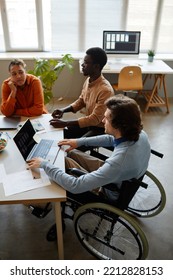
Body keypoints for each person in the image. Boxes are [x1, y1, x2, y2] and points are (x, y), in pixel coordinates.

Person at [27, 94, 151, 241]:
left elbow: (76, 185)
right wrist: (79, 142)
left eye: (106, 118)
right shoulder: (139, 134)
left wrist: (45, 165)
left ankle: (47, 207)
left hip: (107, 190)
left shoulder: (119, 162)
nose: (103, 120)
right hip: (121, 177)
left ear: (118, 126)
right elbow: (112, 138)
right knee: (70, 151)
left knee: (62, 166)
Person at [49, 47, 114, 138]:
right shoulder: (89, 80)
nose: (82, 65)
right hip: (89, 124)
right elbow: (81, 101)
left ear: (96, 66)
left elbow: (95, 119)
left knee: (75, 145)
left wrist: (65, 123)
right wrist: (63, 110)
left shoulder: (105, 90)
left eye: (86, 62)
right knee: (61, 134)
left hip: (101, 129)